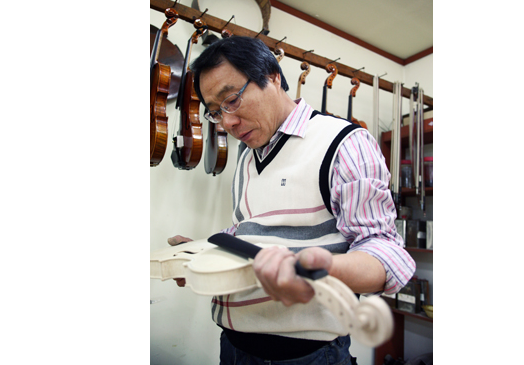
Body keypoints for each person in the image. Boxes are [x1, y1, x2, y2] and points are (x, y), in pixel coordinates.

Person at [168, 36, 415, 365]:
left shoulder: (343, 142)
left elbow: (385, 253)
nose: (227, 122)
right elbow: (251, 232)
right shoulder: (247, 156)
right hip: (233, 346)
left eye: (232, 100)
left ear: (272, 77)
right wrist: (203, 254)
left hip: (308, 356)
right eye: (215, 112)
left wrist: (321, 268)